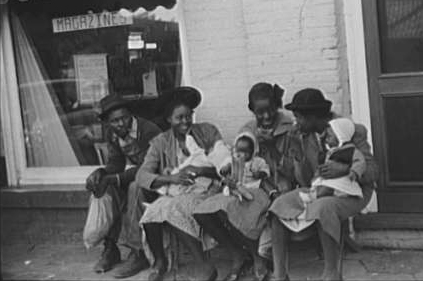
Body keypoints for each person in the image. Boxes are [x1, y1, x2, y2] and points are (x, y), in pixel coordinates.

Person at [269, 88, 379, 281]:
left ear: (312, 117)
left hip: (352, 191)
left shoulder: (350, 130)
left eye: (299, 117)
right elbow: (304, 181)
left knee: (323, 207)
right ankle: (279, 275)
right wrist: (297, 154)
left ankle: (331, 274)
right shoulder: (301, 136)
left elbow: (372, 172)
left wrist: (344, 169)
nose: (296, 122)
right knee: (278, 206)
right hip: (318, 188)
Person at [194, 82, 299, 281]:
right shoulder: (247, 131)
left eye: (270, 110)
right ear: (252, 111)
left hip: (276, 185)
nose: (266, 117)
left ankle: (259, 258)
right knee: (207, 210)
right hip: (246, 185)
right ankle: (238, 253)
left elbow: (294, 170)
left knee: (244, 207)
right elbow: (238, 163)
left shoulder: (290, 127)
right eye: (260, 112)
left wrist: (272, 148)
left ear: (277, 105)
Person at [136, 86, 229, 281]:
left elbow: (224, 165)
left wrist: (200, 170)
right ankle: (160, 262)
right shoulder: (160, 142)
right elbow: (142, 176)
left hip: (208, 189)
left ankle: (204, 264)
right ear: (169, 119)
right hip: (177, 191)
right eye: (179, 118)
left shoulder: (207, 132)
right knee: (151, 213)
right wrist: (171, 178)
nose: (185, 121)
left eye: (188, 116)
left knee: (173, 208)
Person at [85, 93, 162, 278]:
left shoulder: (148, 130)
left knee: (135, 186)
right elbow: (116, 163)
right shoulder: (113, 134)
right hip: (141, 177)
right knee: (103, 189)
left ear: (131, 115)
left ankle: (138, 253)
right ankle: (111, 249)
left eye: (124, 118)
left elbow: (148, 168)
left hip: (161, 181)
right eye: (114, 121)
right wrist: (102, 173)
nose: (120, 124)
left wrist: (115, 178)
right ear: (107, 123)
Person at [302, 117, 364, 202]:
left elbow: (360, 162)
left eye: (329, 136)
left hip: (342, 180)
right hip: (330, 179)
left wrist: (354, 172)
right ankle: (314, 194)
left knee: (327, 189)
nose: (326, 140)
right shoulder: (331, 151)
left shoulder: (351, 150)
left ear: (340, 136)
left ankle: (313, 197)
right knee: (322, 186)